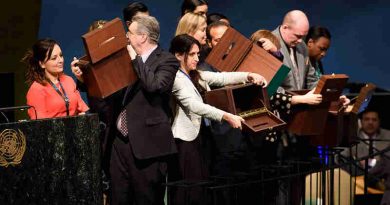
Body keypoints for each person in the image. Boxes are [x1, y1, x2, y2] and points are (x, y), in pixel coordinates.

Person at [168, 34, 266, 205]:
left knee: (202, 186)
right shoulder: (176, 78)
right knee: (189, 188)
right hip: (185, 141)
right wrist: (226, 116)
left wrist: (249, 75)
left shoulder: (195, 74)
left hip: (202, 137)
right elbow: (194, 105)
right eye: (192, 54)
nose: (197, 58)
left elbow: (222, 78)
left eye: (198, 54)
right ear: (178, 55)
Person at [109, 15, 179, 205]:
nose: (126, 37)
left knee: (146, 199)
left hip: (148, 145)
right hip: (120, 143)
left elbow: (154, 86)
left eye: (129, 33)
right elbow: (108, 89)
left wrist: (136, 59)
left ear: (142, 37)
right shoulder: (125, 60)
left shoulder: (167, 61)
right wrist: (84, 79)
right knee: (119, 197)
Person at [23, 38, 89, 119]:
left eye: (61, 55)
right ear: (42, 64)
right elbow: (40, 125)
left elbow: (81, 111)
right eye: (54, 58)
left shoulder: (69, 80)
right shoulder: (37, 89)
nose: (60, 60)